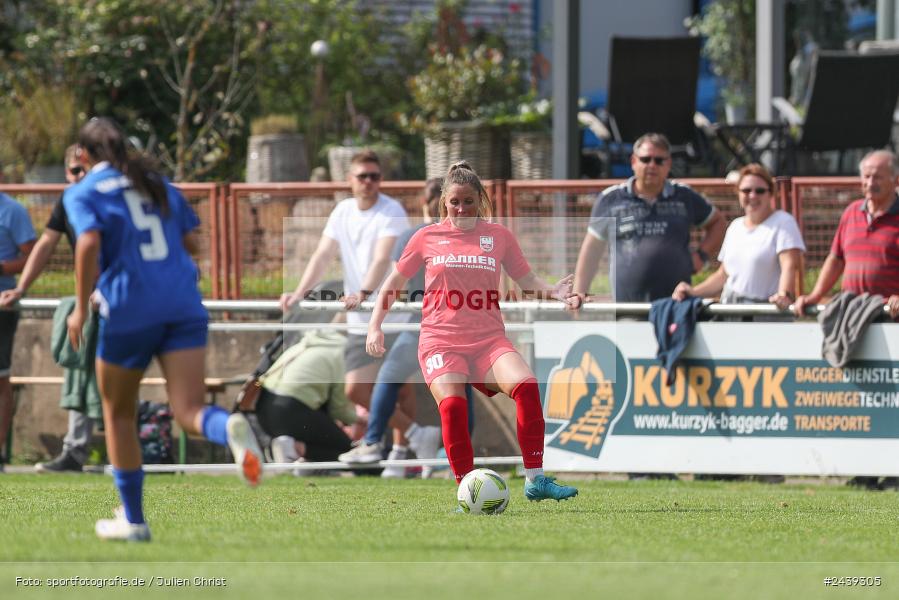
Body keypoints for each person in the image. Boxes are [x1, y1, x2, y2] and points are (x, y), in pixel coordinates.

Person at [63, 117, 262, 542]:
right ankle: (226, 427)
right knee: (189, 412)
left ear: (82, 155)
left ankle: (133, 520)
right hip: (183, 304)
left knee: (118, 412)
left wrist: (80, 309)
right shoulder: (159, 185)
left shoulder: (83, 191)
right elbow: (192, 243)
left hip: (131, 307)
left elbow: (88, 243)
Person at [366, 161, 579, 503]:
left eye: (468, 200)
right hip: (441, 340)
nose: (461, 208)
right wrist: (375, 325)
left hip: (488, 340)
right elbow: (393, 283)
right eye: (455, 202)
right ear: (444, 203)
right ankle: (467, 490)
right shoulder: (426, 237)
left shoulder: (498, 236)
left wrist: (553, 291)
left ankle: (535, 479)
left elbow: (525, 280)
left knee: (526, 388)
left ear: (480, 200)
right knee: (453, 407)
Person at [279, 150, 413, 464]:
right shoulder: (342, 211)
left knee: (402, 390)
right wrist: (299, 293)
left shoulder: (392, 210)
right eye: (363, 176)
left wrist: (364, 292)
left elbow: (383, 258)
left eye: (375, 176)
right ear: (349, 180)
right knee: (355, 389)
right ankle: (418, 435)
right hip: (360, 319)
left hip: (391, 314)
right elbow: (322, 256)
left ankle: (401, 454)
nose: (369, 182)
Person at [339, 179, 461, 477]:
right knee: (456, 391)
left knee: (392, 377)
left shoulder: (415, 234)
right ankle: (412, 450)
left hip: (427, 324)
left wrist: (374, 316)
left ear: (424, 202)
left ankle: (378, 443)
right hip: (455, 324)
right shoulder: (466, 235)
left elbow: (395, 281)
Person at [793, 149, 899, 491]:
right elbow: (836, 259)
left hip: (892, 323)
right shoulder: (852, 212)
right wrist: (814, 294)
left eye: (877, 176)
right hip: (856, 322)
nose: (869, 182)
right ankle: (866, 470)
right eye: (866, 175)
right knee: (866, 401)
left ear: (895, 179)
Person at [0, 145, 100, 473]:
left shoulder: (113, 199)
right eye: (73, 170)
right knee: (82, 367)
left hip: (125, 299)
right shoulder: (70, 200)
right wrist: (22, 287)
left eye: (85, 168)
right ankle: (76, 449)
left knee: (118, 376)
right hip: (91, 301)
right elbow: (45, 244)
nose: (79, 176)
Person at [572, 132, 726, 305]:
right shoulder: (610, 199)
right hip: (627, 309)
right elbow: (592, 250)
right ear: (633, 162)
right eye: (645, 159)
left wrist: (701, 255)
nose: (652, 165)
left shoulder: (684, 196)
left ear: (668, 164)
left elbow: (718, 223)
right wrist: (578, 294)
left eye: (659, 160)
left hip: (676, 306)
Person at [672, 163, 805, 310]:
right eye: (746, 190)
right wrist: (693, 292)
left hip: (764, 311)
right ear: (738, 193)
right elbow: (723, 275)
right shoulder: (735, 226)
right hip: (731, 309)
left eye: (760, 191)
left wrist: (784, 295)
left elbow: (789, 266)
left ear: (771, 193)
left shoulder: (783, 222)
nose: (752, 196)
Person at [255, 328, 356, 464]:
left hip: (262, 408)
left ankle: (295, 454)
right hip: (291, 409)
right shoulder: (343, 351)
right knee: (349, 451)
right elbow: (338, 409)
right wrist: (361, 420)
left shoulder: (305, 343)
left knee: (324, 432)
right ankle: (296, 449)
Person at [0, 172, 36, 471]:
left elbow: (32, 254)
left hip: (2, 305)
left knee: (0, 379)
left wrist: (2, 267)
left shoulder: (12, 210)